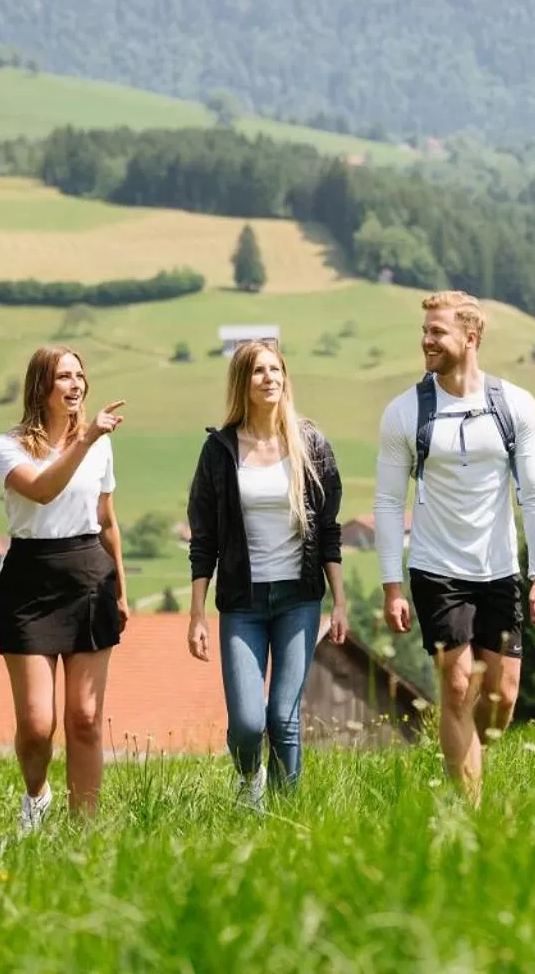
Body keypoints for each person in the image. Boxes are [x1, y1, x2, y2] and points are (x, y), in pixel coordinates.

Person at [375, 291, 535, 802]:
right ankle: (469, 810)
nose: (426, 341)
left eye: (438, 332)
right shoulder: (405, 412)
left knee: (501, 698)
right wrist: (392, 585)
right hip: (437, 569)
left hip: (498, 569)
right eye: (424, 332)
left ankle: (470, 755)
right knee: (456, 689)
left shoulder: (514, 404)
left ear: (470, 337)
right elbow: (389, 502)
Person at [186, 339, 348, 807]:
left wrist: (338, 602)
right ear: (243, 381)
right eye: (259, 370)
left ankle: (284, 814)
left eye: (276, 369)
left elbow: (330, 528)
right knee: (247, 723)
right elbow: (204, 540)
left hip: (299, 598)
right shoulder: (219, 451)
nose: (270, 378)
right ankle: (249, 782)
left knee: (283, 716)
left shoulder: (309, 443)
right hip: (242, 603)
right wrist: (197, 613)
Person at [0, 345, 129, 830]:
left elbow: (107, 520)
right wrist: (86, 440)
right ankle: (37, 798)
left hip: (90, 573)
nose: (75, 386)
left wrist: (121, 590)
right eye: (63, 377)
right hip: (30, 579)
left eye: (79, 376)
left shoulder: (100, 444)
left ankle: (83, 830)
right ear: (40, 387)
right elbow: (43, 489)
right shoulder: (6, 446)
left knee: (86, 719)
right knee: (35, 725)